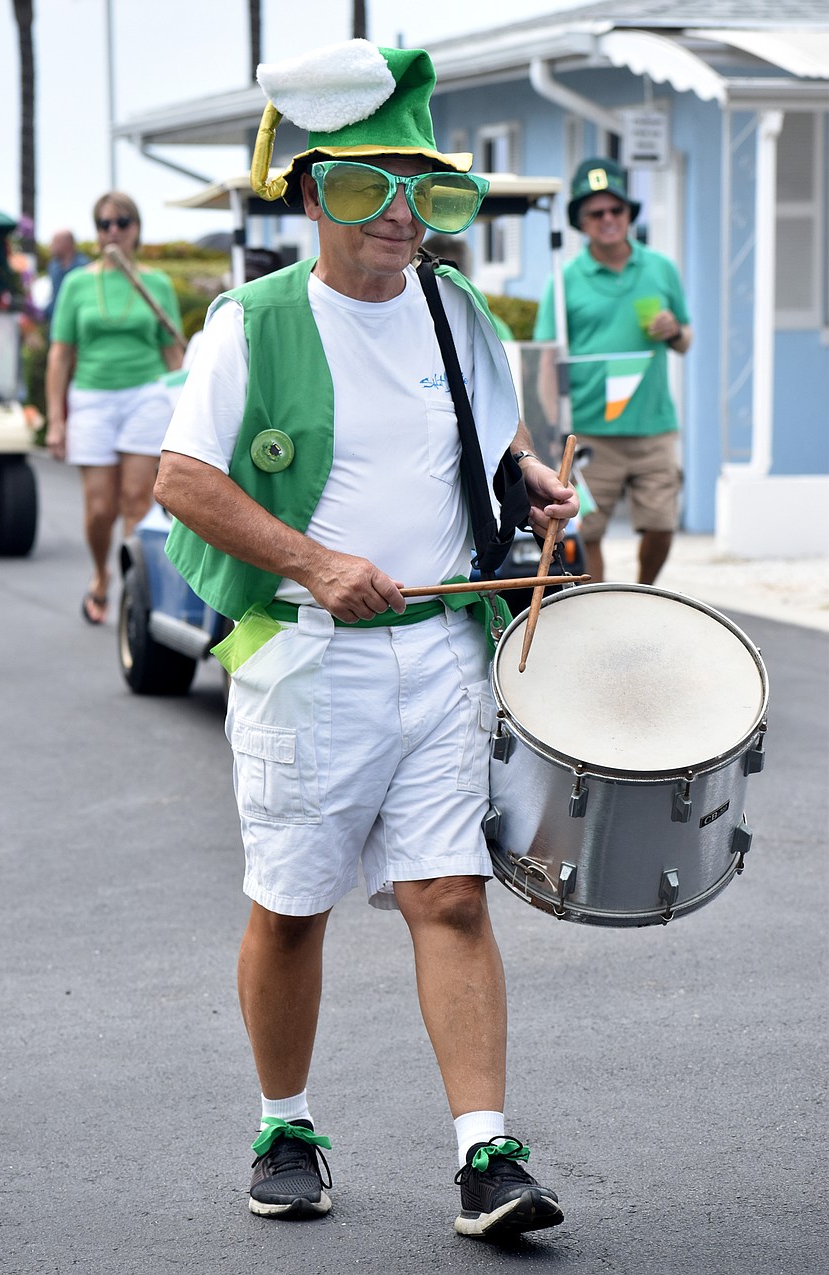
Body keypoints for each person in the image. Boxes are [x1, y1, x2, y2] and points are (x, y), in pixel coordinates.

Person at [154, 39, 578, 1242]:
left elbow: (485, 444)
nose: (398, 216)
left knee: (449, 895)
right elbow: (184, 481)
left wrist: (531, 477)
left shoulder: (459, 313)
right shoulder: (252, 324)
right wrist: (314, 563)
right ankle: (286, 1125)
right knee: (291, 906)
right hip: (304, 659)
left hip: (445, 651)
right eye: (363, 186)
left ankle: (486, 1155)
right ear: (307, 193)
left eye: (422, 191)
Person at [535, 157, 692, 585]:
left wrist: (673, 329)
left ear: (628, 214)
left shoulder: (660, 268)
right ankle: (603, 603)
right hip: (590, 429)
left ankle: (643, 591)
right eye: (595, 212)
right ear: (581, 222)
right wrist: (552, 426)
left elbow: (686, 339)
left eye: (615, 210)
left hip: (653, 424)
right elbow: (549, 359)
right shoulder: (564, 279)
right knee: (588, 534)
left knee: (662, 524)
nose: (608, 219)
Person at [45, 192, 184, 624]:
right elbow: (60, 355)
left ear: (137, 228)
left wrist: (187, 414)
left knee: (136, 499)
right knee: (100, 508)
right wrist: (55, 420)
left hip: (146, 396)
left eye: (122, 222)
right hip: (92, 399)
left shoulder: (157, 282)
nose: (114, 231)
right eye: (104, 224)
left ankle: (131, 591)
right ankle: (101, 572)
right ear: (96, 230)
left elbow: (173, 355)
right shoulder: (78, 283)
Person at [44, 230, 90, 321]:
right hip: (55, 321)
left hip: (77, 320)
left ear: (66, 244)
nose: (50, 247)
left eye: (54, 243)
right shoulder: (53, 266)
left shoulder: (84, 266)